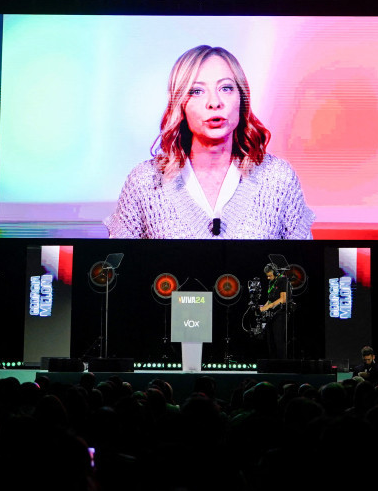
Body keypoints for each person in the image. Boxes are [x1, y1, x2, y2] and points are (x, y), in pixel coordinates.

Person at [105, 45, 315, 239]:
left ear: (242, 99)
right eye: (197, 91)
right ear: (181, 104)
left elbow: (302, 271)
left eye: (226, 88)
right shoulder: (145, 182)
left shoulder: (278, 178)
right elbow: (117, 269)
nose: (214, 103)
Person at [260, 265, 289, 360]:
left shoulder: (283, 280)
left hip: (280, 314)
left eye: (270, 276)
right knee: (270, 341)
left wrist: (269, 306)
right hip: (271, 315)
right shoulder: (271, 283)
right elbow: (270, 299)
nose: (268, 278)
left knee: (278, 340)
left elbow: (283, 299)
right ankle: (272, 364)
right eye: (267, 276)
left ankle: (282, 365)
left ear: (276, 273)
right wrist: (263, 307)